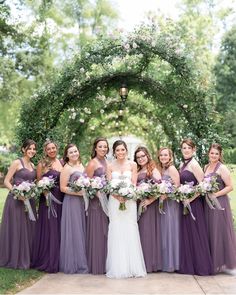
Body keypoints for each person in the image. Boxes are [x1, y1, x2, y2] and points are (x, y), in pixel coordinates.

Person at [106, 140, 146, 278]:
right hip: (114, 201)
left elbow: (134, 184)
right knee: (116, 229)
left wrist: (127, 195)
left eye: (123, 150)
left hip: (130, 201)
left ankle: (133, 266)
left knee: (130, 228)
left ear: (126, 151)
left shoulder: (133, 164)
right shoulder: (110, 166)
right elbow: (108, 186)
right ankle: (118, 267)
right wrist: (118, 197)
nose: (120, 152)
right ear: (114, 152)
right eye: (118, 150)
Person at [0, 139, 37, 269]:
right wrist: (17, 192)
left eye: (34, 149)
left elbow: (34, 182)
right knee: (17, 228)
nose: (32, 151)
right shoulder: (17, 162)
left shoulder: (33, 165)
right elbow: (6, 181)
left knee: (28, 228)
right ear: (23, 149)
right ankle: (15, 257)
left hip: (29, 200)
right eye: (29, 148)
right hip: (16, 200)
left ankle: (28, 257)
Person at [178, 138, 213, 276]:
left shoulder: (194, 164)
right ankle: (189, 265)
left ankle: (201, 266)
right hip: (185, 203)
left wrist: (190, 199)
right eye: (184, 148)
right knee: (188, 234)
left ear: (194, 150)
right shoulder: (182, 164)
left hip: (195, 204)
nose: (186, 150)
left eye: (188, 148)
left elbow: (203, 186)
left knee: (196, 233)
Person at [32, 140, 64, 273]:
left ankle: (59, 259)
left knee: (59, 228)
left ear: (57, 148)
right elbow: (39, 182)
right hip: (48, 200)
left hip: (61, 199)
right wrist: (46, 194)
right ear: (45, 151)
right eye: (49, 149)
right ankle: (47, 259)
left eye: (53, 148)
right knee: (49, 228)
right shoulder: (42, 164)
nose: (51, 150)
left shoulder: (62, 162)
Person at [204, 143, 236, 274]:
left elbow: (230, 186)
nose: (214, 155)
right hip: (207, 204)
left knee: (220, 230)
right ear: (208, 153)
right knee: (211, 231)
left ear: (219, 155)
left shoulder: (222, 168)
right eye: (212, 153)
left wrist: (215, 195)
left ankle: (227, 264)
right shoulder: (206, 167)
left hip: (219, 203)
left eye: (216, 154)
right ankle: (215, 262)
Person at [59, 144, 88, 274]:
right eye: (71, 152)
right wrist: (79, 193)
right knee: (74, 230)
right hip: (72, 202)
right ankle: (74, 263)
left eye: (75, 151)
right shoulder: (67, 168)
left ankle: (82, 259)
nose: (74, 154)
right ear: (66, 155)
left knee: (81, 229)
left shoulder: (81, 165)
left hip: (82, 202)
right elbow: (63, 188)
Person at [134, 146, 162, 272]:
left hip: (149, 206)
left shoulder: (153, 170)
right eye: (138, 157)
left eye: (143, 156)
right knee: (140, 232)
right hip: (138, 204)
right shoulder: (137, 170)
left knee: (147, 232)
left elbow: (161, 189)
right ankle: (140, 262)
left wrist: (150, 200)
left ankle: (150, 263)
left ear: (147, 156)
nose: (140, 159)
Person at [84, 137, 109, 274]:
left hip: (107, 201)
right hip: (96, 203)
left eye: (105, 147)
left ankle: (106, 262)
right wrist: (96, 192)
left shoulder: (107, 161)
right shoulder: (92, 163)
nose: (103, 149)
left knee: (106, 232)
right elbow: (86, 184)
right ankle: (96, 264)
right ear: (95, 148)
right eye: (100, 146)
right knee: (98, 231)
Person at [157, 147, 180, 272]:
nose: (163, 157)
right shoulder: (163, 168)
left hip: (171, 204)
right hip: (163, 202)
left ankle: (172, 262)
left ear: (170, 156)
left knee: (171, 230)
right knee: (164, 231)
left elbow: (177, 187)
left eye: (165, 155)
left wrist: (166, 194)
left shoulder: (171, 169)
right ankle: (165, 260)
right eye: (161, 155)